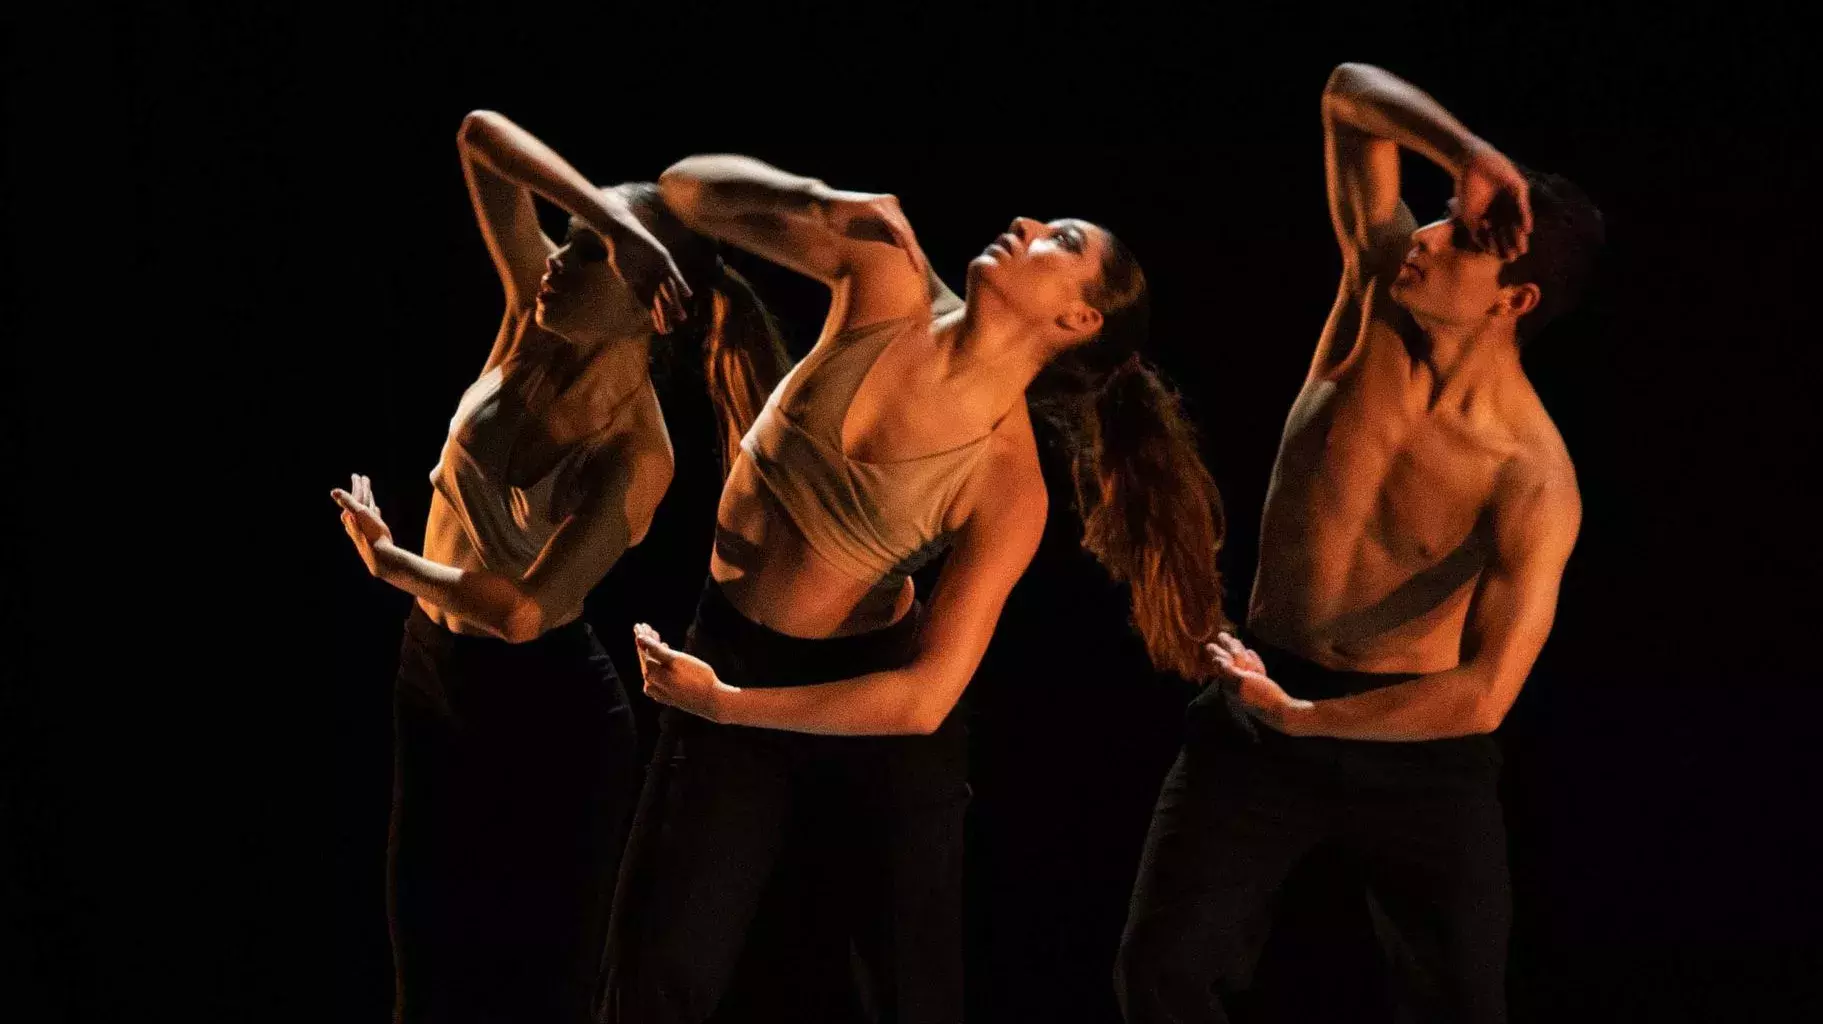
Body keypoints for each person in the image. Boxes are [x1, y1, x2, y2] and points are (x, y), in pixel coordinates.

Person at [603, 154, 1228, 1022]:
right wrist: (818, 200)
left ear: (1078, 318)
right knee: (659, 969)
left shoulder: (1008, 485)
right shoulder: (885, 276)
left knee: (908, 987)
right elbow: (683, 190)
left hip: (871, 706)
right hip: (730, 653)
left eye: (1063, 241)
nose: (1029, 226)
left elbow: (925, 697)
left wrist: (727, 705)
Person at [1114, 63, 1603, 1023]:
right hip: (1261, 710)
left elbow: (1484, 694)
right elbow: (1346, 92)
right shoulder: (1372, 302)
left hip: (1416, 744)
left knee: (1462, 1002)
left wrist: (1303, 718)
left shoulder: (1531, 475)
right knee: (1160, 973)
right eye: (1439, 216)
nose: (1422, 239)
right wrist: (1469, 155)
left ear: (1516, 301)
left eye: (1461, 239)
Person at [328, 112, 789, 1022]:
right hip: (433, 678)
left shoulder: (635, 453)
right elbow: (476, 137)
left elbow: (527, 612)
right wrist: (616, 224)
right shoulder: (526, 319)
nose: (557, 259)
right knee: (423, 970)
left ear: (648, 304)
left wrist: (393, 563)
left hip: (548, 723)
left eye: (587, 254)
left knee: (538, 986)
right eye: (576, 237)